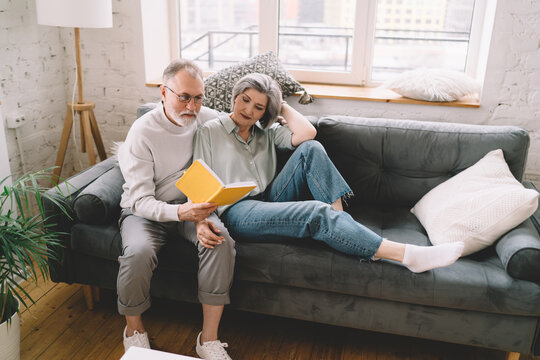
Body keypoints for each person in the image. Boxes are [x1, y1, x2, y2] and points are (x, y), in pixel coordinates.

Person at [193, 73, 464, 274]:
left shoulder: (266, 131)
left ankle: (342, 225)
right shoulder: (210, 131)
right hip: (238, 212)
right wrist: (200, 222)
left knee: (311, 148)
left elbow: (307, 134)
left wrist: (281, 105)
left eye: (259, 107)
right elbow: (198, 182)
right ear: (235, 97)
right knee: (315, 213)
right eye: (245, 100)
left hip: (270, 198)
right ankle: (407, 255)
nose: (248, 110)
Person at [118, 58, 234, 360]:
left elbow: (242, 122)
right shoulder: (142, 132)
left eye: (198, 98)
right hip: (143, 211)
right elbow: (140, 201)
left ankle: (208, 339)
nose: (192, 106)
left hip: (190, 206)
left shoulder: (204, 118)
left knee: (219, 241)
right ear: (164, 92)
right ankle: (134, 330)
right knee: (138, 252)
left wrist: (278, 120)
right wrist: (182, 214)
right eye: (184, 96)